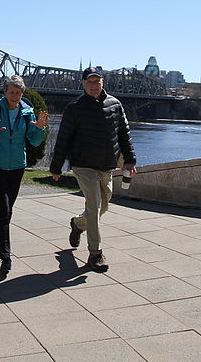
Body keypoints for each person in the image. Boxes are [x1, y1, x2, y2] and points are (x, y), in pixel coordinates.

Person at [49, 67, 136, 272]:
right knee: (95, 206)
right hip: (83, 164)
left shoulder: (115, 105)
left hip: (106, 165)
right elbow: (63, 139)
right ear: (83, 84)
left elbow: (124, 133)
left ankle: (78, 224)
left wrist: (129, 160)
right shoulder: (75, 108)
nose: (94, 85)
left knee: (104, 206)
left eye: (97, 81)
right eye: (90, 82)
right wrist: (56, 166)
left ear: (103, 82)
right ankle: (95, 254)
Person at [0, 75, 48, 273]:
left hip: (17, 166)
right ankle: (6, 255)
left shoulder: (27, 112)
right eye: (11, 92)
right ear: (5, 92)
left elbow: (34, 141)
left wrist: (40, 129)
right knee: (4, 208)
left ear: (22, 94)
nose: (15, 96)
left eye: (18, 93)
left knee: (6, 211)